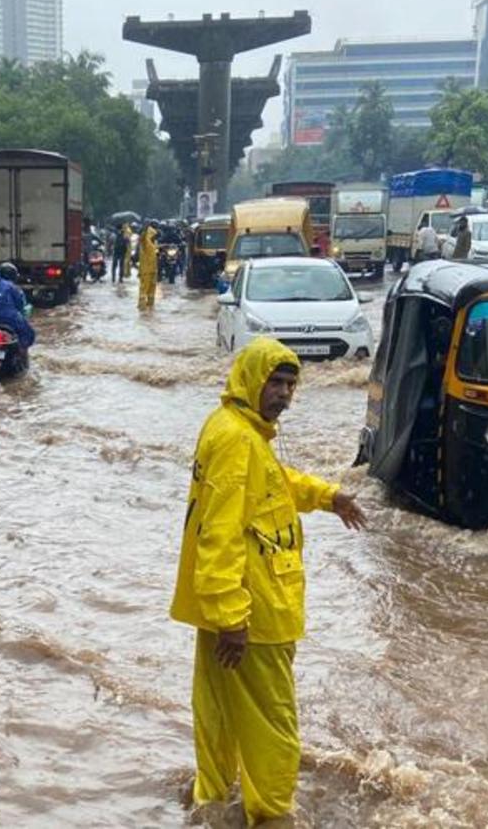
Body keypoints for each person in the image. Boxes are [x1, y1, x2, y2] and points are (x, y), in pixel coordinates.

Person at [171, 337, 368, 825]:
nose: (283, 394)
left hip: (228, 608)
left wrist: (327, 496)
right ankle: (273, 815)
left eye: (290, 384)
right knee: (274, 727)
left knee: (218, 712)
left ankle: (211, 803)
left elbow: (271, 485)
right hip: (255, 613)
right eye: (275, 383)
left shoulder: (234, 428)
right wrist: (234, 618)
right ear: (250, 380)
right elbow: (221, 535)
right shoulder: (239, 441)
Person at [0, 262, 35, 349]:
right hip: (11, 318)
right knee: (29, 334)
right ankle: (21, 351)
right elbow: (20, 304)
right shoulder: (10, 286)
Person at [137, 222, 159, 310]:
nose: (155, 237)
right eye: (153, 236)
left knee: (152, 290)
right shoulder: (146, 243)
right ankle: (142, 306)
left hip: (153, 270)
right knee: (144, 289)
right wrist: (145, 230)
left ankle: (150, 305)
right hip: (146, 271)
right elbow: (141, 239)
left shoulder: (153, 244)